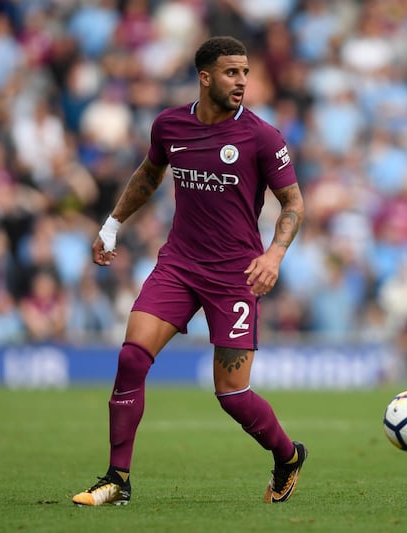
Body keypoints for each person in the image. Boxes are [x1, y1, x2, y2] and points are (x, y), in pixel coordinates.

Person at [72, 36, 307, 507]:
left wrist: (274, 255)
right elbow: (147, 175)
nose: (241, 81)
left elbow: (293, 203)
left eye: (245, 72)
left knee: (232, 395)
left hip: (234, 277)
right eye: (231, 73)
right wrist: (113, 225)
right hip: (179, 264)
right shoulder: (170, 125)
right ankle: (118, 478)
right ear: (205, 77)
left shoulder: (261, 136)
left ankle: (287, 456)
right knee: (132, 359)